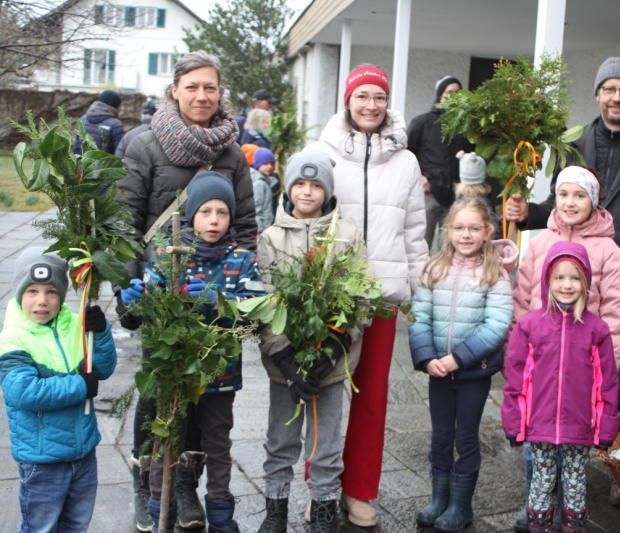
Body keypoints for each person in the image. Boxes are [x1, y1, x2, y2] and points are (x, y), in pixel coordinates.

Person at [117, 50, 257, 532]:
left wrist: (241, 290)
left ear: (221, 94)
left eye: (211, 87)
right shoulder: (142, 145)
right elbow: (123, 223)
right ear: (174, 90)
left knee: (207, 399)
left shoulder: (232, 152)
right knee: (159, 397)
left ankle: (184, 486)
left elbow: (245, 226)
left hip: (216, 298)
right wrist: (133, 295)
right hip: (163, 296)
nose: (202, 95)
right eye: (193, 86)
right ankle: (147, 485)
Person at [504, 56, 620, 437]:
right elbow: (561, 205)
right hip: (573, 283)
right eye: (609, 89)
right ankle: (570, 454)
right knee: (568, 380)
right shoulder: (576, 141)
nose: (616, 98)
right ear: (598, 94)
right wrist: (525, 214)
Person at [309, 63, 428, 527]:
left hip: (381, 297)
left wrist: (416, 286)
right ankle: (320, 489)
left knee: (372, 396)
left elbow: (416, 231)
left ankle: (359, 489)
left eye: (379, 97)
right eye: (363, 97)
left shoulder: (407, 161)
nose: (371, 106)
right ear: (348, 100)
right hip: (332, 294)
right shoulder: (322, 151)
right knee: (324, 392)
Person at [511, 165, 620, 531]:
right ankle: (537, 501)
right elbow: (522, 296)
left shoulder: (608, 251)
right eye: (564, 194)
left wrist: (605, 369)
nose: (570, 202)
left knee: (575, 450)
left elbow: (614, 314)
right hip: (542, 367)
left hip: (581, 370)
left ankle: (570, 508)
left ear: (593, 201)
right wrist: (518, 355)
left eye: (580, 195)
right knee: (537, 445)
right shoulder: (539, 242)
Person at [257, 149, 363, 533]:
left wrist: (335, 347)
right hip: (284, 363)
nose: (306, 192)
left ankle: (323, 506)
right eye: (299, 184)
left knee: (326, 440)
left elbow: (359, 297)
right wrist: (283, 356)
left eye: (315, 185)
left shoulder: (347, 235)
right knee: (281, 436)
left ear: (327, 191)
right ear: (287, 189)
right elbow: (266, 301)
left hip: (329, 364)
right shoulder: (270, 237)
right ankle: (276, 506)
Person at [409, 198, 515, 532]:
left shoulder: (495, 274)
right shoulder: (433, 269)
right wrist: (428, 359)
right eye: (459, 227)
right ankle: (439, 496)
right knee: (440, 435)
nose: (465, 234)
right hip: (438, 369)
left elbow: (497, 324)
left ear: (487, 232)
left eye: (473, 228)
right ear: (447, 230)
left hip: (472, 371)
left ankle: (460, 505)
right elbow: (419, 316)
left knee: (465, 436)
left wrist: (459, 358)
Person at [502, 241, 619, 533]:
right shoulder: (530, 326)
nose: (567, 285)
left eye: (575, 277)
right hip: (539, 423)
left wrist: (605, 427)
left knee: (576, 485)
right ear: (547, 281)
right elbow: (515, 378)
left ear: (586, 282)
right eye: (560, 277)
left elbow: (607, 383)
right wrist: (514, 421)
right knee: (540, 484)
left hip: (579, 427)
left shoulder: (597, 330)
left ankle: (572, 528)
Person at [0, 250, 117, 532]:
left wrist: (99, 334)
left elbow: (102, 368)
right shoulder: (14, 339)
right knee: (42, 526)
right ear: (19, 295)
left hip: (83, 452)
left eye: (51, 291)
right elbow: (25, 392)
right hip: (43, 461)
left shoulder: (75, 326)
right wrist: (80, 385)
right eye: (32, 291)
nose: (42, 300)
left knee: (76, 523)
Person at [407, 75, 473, 248]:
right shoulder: (422, 122)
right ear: (440, 95)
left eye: (458, 93)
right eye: (449, 92)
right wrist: (420, 179)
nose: (454, 97)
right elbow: (406, 155)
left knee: (450, 247)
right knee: (420, 243)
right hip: (427, 195)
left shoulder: (464, 127)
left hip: (455, 196)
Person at [74, 89, 125, 155]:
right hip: (105, 165)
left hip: (83, 163)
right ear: (115, 106)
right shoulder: (115, 125)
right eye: (120, 106)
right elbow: (120, 153)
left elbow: (76, 146)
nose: (122, 108)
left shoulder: (83, 119)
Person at [251, 147, 280, 233]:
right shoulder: (259, 184)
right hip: (261, 230)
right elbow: (257, 209)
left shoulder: (266, 181)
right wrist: (259, 231)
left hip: (266, 228)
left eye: (271, 163)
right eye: (265, 164)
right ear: (258, 165)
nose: (269, 167)